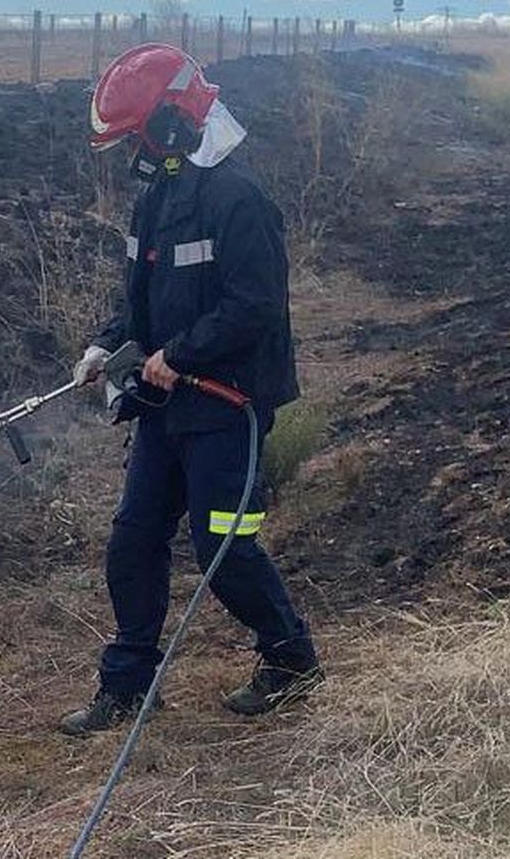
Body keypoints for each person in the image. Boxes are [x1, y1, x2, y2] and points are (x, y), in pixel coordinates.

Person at [60, 44, 321, 735]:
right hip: (166, 407)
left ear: (174, 126)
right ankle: (128, 686)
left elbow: (255, 303)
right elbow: (143, 298)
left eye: (136, 139)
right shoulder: (159, 198)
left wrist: (180, 353)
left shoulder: (239, 200)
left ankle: (292, 661)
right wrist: (107, 345)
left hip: (227, 404)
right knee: (134, 540)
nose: (132, 156)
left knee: (224, 547)